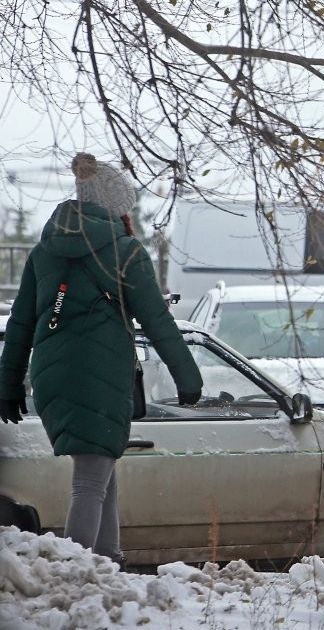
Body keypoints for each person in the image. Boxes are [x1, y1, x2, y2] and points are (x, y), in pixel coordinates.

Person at [0, 153, 204, 566]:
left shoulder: (45, 252)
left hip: (52, 374)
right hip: (102, 375)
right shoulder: (126, 253)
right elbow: (156, 318)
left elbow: (21, 321)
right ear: (114, 204)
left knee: (101, 467)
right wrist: (187, 376)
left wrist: (7, 384)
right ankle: (77, 575)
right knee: (90, 481)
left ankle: (109, 563)